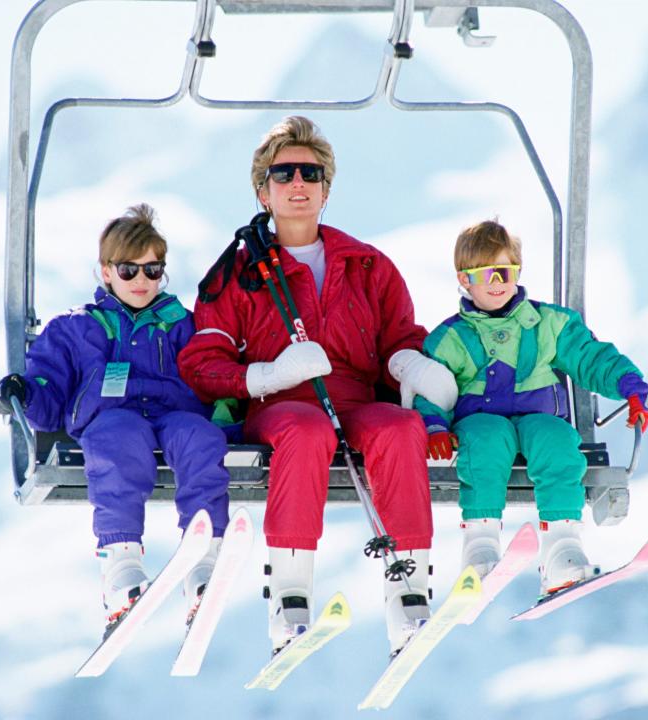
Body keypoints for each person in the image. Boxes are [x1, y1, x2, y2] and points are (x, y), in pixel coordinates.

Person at [178, 116, 458, 658]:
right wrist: (270, 375)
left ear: (328, 187)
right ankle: (289, 594)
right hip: (279, 405)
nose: (298, 183)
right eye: (283, 174)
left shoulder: (369, 266)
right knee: (305, 430)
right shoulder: (238, 273)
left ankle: (409, 593)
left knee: (401, 427)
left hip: (354, 398)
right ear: (263, 190)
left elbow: (399, 336)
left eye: (311, 172)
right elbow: (202, 363)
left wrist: (413, 368)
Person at [0, 204, 232, 633]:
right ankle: (122, 568)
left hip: (173, 414)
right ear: (105, 272)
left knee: (201, 438)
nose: (142, 281)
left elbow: (211, 373)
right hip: (113, 418)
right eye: (129, 271)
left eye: (153, 271)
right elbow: (49, 392)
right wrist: (24, 392)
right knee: (117, 442)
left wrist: (230, 406)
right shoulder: (77, 329)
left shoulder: (182, 326)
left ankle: (204, 561)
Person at [417, 219, 648, 595]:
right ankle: (480, 545)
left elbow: (590, 358)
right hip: (479, 422)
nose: (498, 282)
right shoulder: (450, 339)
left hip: (539, 418)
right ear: (465, 280)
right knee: (486, 441)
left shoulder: (549, 325)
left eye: (505, 271)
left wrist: (630, 387)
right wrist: (434, 428)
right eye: (486, 274)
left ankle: (562, 547)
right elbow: (430, 387)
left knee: (559, 441)